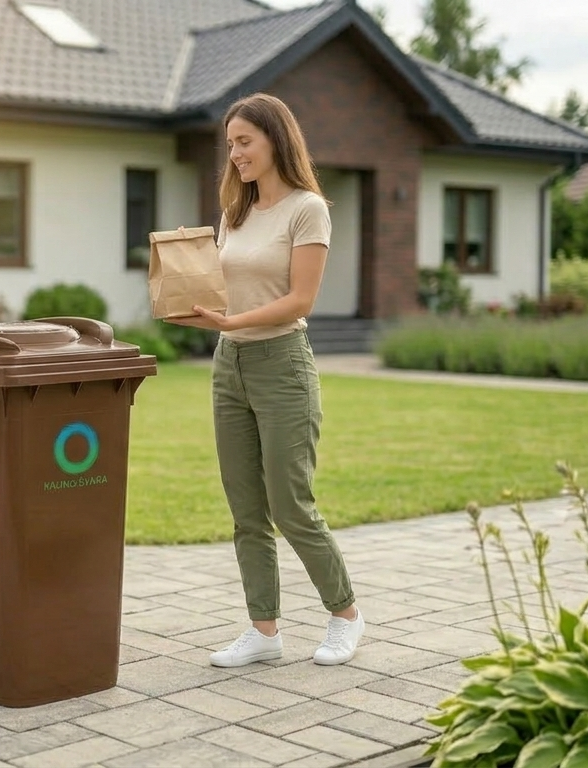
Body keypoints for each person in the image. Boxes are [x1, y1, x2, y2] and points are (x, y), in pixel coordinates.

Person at [166, 92, 363, 668]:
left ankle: (345, 615)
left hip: (282, 366)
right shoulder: (235, 212)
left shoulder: (308, 209)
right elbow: (220, 295)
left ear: (276, 139)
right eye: (231, 144)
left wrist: (229, 321)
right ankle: (264, 630)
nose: (236, 154)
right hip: (229, 366)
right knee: (246, 506)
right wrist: (183, 283)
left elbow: (300, 299)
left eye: (245, 142)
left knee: (290, 503)